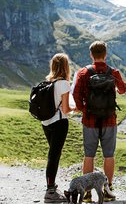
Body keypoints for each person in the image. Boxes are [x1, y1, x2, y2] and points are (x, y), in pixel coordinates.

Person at [73, 41, 126, 202]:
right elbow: (123, 89)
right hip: (109, 119)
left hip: (89, 120)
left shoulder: (84, 72)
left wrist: (84, 109)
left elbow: (76, 95)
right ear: (105, 54)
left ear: (91, 55)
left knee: (89, 156)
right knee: (108, 155)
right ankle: (108, 190)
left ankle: (87, 193)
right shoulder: (113, 72)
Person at [42, 53, 76, 203]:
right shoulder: (64, 84)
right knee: (54, 156)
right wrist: (78, 109)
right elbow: (66, 109)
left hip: (46, 123)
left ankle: (51, 187)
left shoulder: (48, 81)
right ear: (66, 67)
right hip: (59, 123)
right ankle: (50, 192)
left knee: (52, 155)